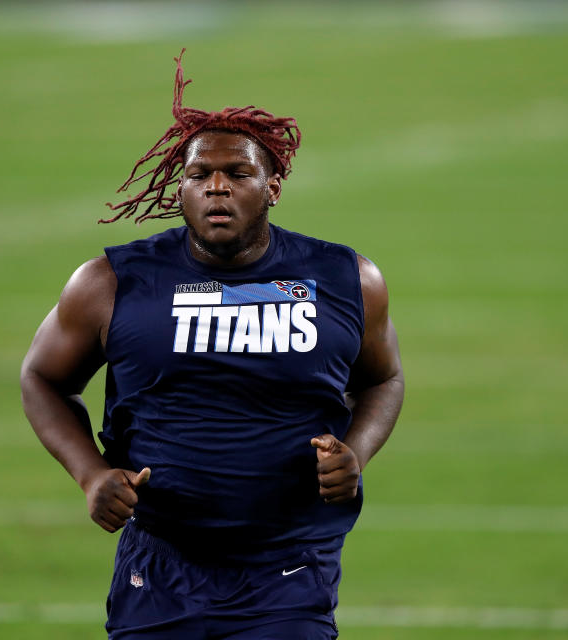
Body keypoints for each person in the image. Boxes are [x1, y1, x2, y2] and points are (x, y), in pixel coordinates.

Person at [21, 51, 404, 639]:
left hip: (290, 565)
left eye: (238, 174)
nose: (216, 187)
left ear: (273, 186)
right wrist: (90, 475)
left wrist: (357, 453)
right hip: (161, 563)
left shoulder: (348, 278)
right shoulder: (110, 283)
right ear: (181, 190)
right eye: (199, 175)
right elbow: (43, 379)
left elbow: (382, 379)